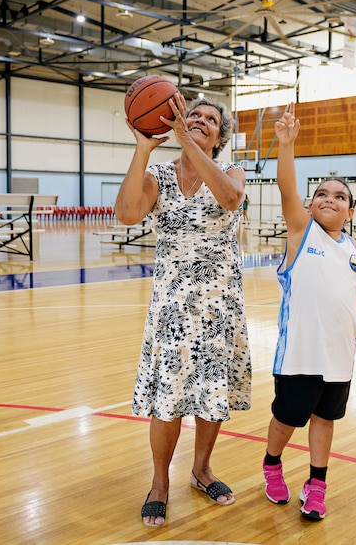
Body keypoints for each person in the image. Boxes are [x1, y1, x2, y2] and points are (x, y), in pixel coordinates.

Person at [114, 92, 251, 529]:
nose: (200, 120)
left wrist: (187, 141)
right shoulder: (158, 175)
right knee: (168, 400)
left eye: (210, 119)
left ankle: (202, 469)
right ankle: (159, 482)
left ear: (220, 136)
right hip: (172, 306)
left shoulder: (231, 171)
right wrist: (143, 147)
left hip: (218, 304)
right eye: (194, 114)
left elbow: (229, 199)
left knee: (211, 397)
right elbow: (126, 214)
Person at [262, 103, 356, 521]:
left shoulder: (351, 247)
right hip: (300, 353)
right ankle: (272, 464)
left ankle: (317, 484)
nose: (330, 199)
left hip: (338, 355)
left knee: (324, 420)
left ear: (351, 210)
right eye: (322, 194)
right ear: (310, 205)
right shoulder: (301, 232)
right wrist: (287, 145)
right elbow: (286, 188)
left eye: (340, 196)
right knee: (286, 418)